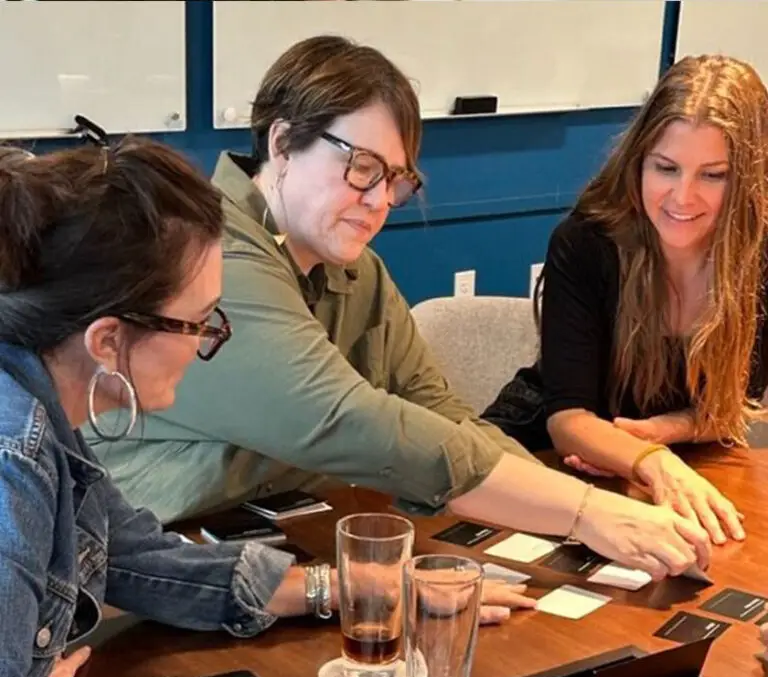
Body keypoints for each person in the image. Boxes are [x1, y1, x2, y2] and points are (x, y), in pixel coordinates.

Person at [0, 137, 557, 677]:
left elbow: (148, 561)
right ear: (108, 339)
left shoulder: (38, 414)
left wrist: (361, 591)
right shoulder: (12, 467)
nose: (213, 346)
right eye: (201, 324)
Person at [89, 35, 709, 582]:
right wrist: (584, 511)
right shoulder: (208, 254)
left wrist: (571, 506)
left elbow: (437, 409)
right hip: (132, 572)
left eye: (397, 178)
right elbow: (347, 420)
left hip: (271, 548)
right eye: (362, 168)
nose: (380, 200)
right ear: (282, 143)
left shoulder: (357, 270)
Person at [483, 54, 768, 547]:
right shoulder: (587, 241)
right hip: (543, 454)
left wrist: (663, 433)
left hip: (680, 469)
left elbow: (737, 404)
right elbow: (568, 420)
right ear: (639, 160)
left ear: (748, 180)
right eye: (666, 168)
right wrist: (650, 460)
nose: (683, 197)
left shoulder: (757, 256)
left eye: (713, 175)